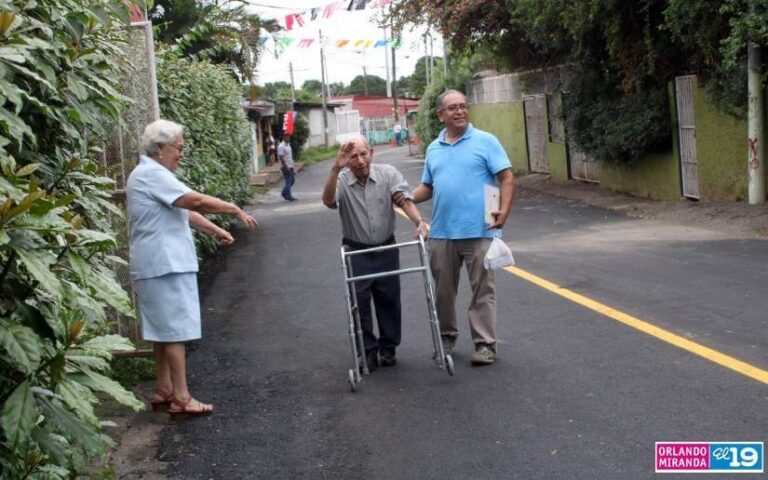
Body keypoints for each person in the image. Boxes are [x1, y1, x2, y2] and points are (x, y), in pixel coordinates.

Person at [127, 119, 258, 418]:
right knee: (174, 330)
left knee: (162, 330)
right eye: (178, 148)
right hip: (164, 263)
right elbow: (194, 200)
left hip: (158, 263)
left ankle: (164, 389)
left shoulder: (150, 174)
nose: (181, 154)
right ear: (160, 148)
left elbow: (182, 210)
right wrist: (233, 207)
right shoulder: (152, 174)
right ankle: (182, 397)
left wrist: (214, 230)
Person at [405, 89, 515, 366]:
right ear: (441, 114)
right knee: (442, 292)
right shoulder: (433, 148)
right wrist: (404, 196)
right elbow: (428, 187)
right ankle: (446, 337)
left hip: (481, 230)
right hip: (442, 233)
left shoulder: (485, 141)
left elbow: (506, 176)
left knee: (483, 291)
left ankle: (485, 345)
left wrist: (505, 209)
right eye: (452, 108)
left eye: (463, 106)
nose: (460, 112)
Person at [322, 135, 429, 371]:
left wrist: (419, 222)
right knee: (359, 304)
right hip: (356, 251)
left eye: (363, 154)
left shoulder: (388, 174)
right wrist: (335, 168)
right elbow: (328, 200)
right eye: (353, 157)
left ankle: (388, 347)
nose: (360, 161)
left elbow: (403, 199)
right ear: (346, 160)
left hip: (386, 248)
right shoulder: (341, 179)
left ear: (371, 152)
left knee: (389, 299)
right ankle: (367, 351)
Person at [278, 134, 296, 201]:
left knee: (292, 181)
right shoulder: (281, 146)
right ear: (283, 137)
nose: (288, 138)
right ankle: (288, 196)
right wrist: (286, 167)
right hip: (285, 167)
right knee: (288, 181)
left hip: (290, 165)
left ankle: (284, 193)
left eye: (288, 136)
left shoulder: (288, 145)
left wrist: (293, 165)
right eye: (286, 136)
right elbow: (281, 157)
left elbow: (289, 156)